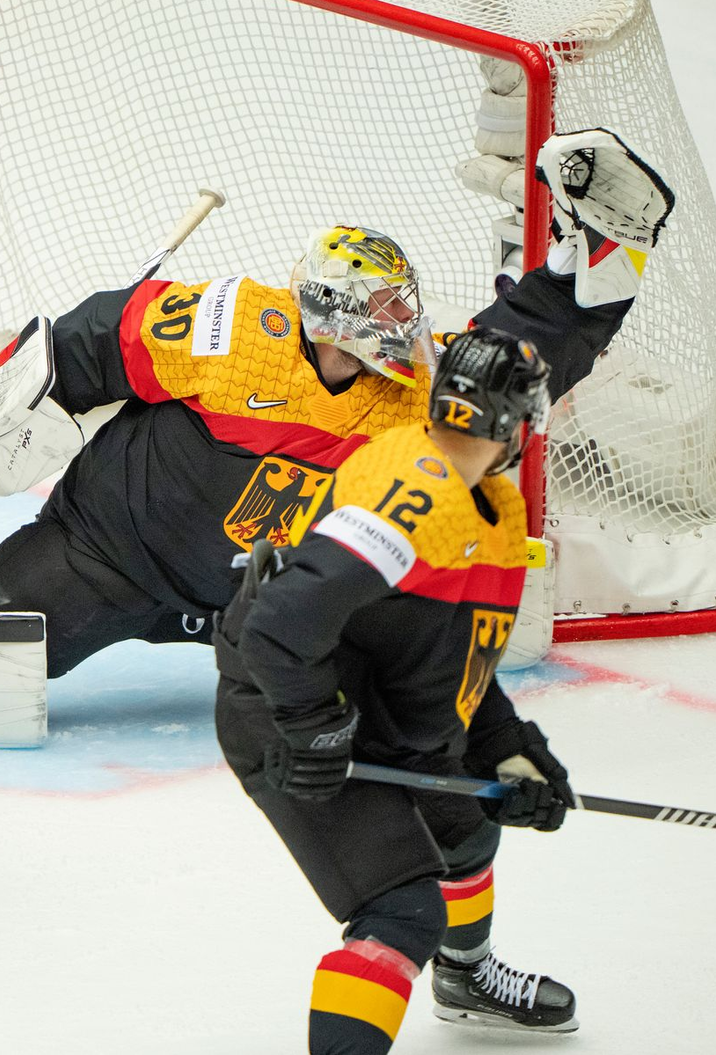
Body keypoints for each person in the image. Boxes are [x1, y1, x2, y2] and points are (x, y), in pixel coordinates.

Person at [0, 129, 671, 683]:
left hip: (271, 600)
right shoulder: (235, 328)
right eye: (381, 304)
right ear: (331, 311)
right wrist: (5, 404)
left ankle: (603, 252)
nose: (402, 318)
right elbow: (94, 336)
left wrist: (592, 276)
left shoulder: (406, 385)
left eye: (402, 301)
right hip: (108, 554)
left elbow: (514, 360)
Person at [212, 326, 575, 1049]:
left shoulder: (491, 509)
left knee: (467, 828)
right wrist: (313, 727)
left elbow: (446, 659)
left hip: (357, 694)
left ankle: (465, 977)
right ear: (514, 423)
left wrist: (506, 750)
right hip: (285, 706)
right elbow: (283, 624)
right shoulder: (413, 491)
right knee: (403, 912)